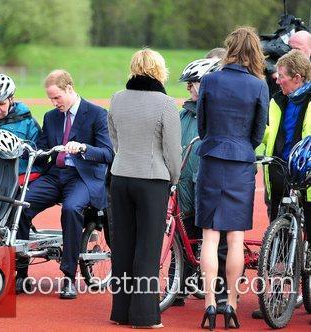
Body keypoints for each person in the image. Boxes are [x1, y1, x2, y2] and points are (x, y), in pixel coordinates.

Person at [16, 69, 113, 299]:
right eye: (50, 98)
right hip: (54, 175)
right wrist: (24, 149)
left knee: (71, 209)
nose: (54, 102)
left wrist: (83, 148)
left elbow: (108, 153)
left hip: (82, 176)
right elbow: (41, 151)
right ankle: (21, 274)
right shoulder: (51, 117)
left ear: (69, 88)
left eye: (57, 97)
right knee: (20, 205)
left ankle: (68, 277)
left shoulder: (97, 114)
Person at [196, 26, 268, 329]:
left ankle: (210, 303)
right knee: (236, 238)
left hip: (212, 159)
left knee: (210, 237)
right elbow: (258, 130)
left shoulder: (209, 80)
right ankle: (232, 305)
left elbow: (202, 125)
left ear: (230, 48)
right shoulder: (259, 86)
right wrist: (241, 147)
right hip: (240, 162)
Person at [107, 48, 181, 328]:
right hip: (152, 180)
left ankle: (122, 312)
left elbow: (114, 140)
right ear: (159, 70)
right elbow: (172, 151)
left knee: (123, 246)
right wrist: (174, 179)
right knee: (148, 250)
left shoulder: (116, 99)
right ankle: (145, 316)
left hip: (120, 177)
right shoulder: (165, 104)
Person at [256, 47, 310, 279]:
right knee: (278, 237)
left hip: (307, 179)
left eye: (282, 77)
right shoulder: (277, 101)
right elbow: (269, 134)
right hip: (279, 174)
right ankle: (275, 298)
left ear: (298, 78)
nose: (278, 82)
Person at [172, 57, 221, 307]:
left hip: (207, 184)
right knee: (181, 234)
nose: (188, 89)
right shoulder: (182, 116)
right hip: (183, 186)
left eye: (192, 84)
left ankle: (216, 287)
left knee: (211, 236)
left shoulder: (217, 114)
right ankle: (177, 286)